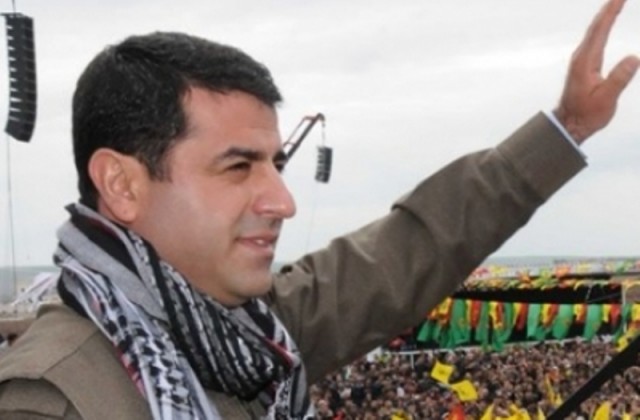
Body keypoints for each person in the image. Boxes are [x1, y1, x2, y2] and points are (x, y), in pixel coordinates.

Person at [0, 0, 637, 418]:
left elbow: (407, 251)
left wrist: (567, 129)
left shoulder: (251, 334)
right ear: (121, 184)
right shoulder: (51, 400)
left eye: (275, 164)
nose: (282, 200)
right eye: (238, 166)